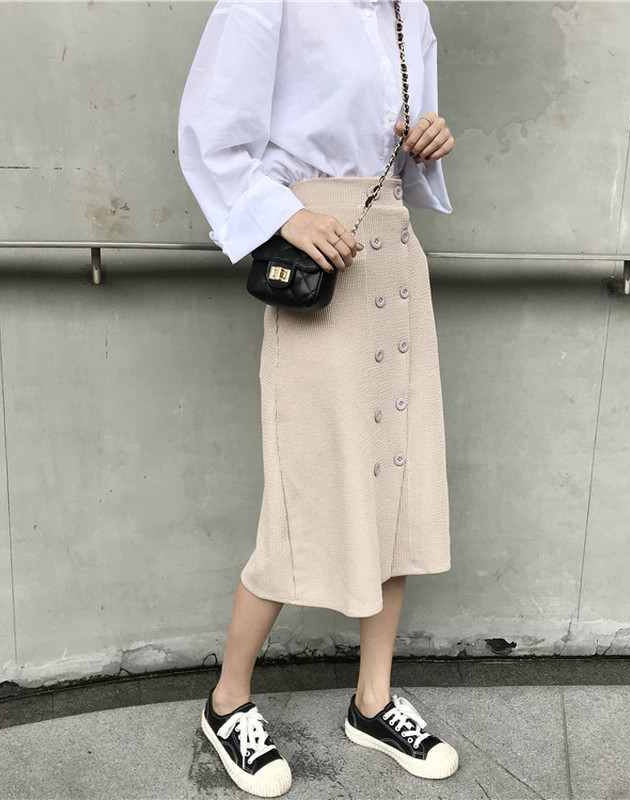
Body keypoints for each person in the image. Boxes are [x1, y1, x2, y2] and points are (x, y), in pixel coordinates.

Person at [178, 1, 456, 795]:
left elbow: (399, 154)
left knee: (398, 481)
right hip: (320, 263)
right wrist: (287, 214)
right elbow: (208, 134)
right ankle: (228, 702)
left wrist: (427, 139)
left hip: (394, 254)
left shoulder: (408, 11)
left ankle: (373, 701)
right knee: (303, 490)